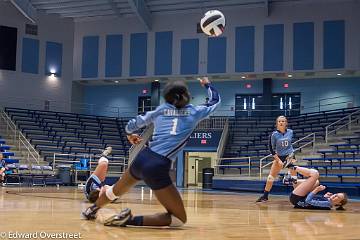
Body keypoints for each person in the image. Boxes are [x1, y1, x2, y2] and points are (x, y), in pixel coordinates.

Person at [83, 77, 220, 228]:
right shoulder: (195, 112)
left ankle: (92, 210)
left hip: (143, 157)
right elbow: (215, 101)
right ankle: (128, 220)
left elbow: (132, 124)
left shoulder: (161, 110)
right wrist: (207, 84)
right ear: (186, 96)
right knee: (179, 219)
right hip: (158, 165)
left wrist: (130, 135)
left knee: (115, 190)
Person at [256, 116, 296, 203]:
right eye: (279, 121)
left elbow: (290, 145)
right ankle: (265, 196)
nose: (281, 122)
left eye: (283, 121)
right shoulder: (273, 135)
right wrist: (278, 160)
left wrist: (292, 158)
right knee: (270, 177)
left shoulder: (290, 132)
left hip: (289, 155)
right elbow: (271, 149)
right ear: (277, 123)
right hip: (279, 156)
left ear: (286, 123)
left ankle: (298, 195)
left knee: (294, 177)